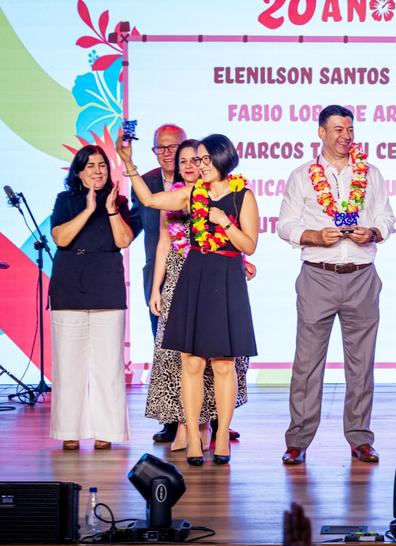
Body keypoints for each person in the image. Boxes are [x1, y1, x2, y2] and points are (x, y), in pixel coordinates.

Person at [120, 132, 259, 466]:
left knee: (224, 364)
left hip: (226, 276)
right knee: (191, 362)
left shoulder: (243, 197)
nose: (201, 165)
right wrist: (129, 165)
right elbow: (152, 202)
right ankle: (194, 437)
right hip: (194, 275)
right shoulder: (191, 194)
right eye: (198, 160)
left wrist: (224, 221)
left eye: (206, 159)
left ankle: (221, 434)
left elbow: (249, 246)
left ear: (223, 159)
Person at [278, 105, 394, 465]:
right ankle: (298, 440)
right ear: (321, 133)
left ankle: (360, 438)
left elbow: (386, 218)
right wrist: (313, 234)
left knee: (361, 363)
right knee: (307, 363)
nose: (346, 136)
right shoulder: (301, 176)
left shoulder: (370, 173)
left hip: (361, 276)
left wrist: (371, 232)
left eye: (350, 129)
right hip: (317, 275)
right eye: (338, 129)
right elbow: (285, 225)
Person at [49, 145, 134, 450]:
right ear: (79, 172)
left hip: (106, 284)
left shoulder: (120, 201)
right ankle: (68, 430)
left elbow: (123, 240)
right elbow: (61, 238)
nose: (97, 171)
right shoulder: (66, 200)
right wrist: (87, 209)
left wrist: (109, 209)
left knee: (108, 364)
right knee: (68, 363)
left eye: (102, 166)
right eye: (90, 166)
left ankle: (106, 430)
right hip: (69, 283)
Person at [128, 124, 188, 444]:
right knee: (164, 351)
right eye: (160, 148)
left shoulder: (199, 177)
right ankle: (171, 421)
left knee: (203, 352)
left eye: (172, 147)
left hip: (197, 277)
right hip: (158, 278)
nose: (167, 154)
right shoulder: (147, 183)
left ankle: (211, 420)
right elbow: (133, 225)